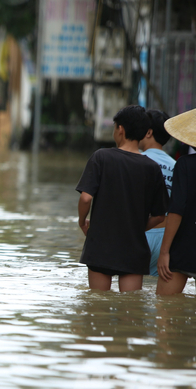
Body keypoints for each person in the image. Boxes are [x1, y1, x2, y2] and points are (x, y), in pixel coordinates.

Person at [76, 105, 169, 292]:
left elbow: (86, 198)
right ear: (144, 133)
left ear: (120, 129)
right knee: (131, 311)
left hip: (100, 246)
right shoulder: (152, 168)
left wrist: (82, 221)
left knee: (97, 308)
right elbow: (160, 216)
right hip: (134, 249)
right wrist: (135, 227)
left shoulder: (101, 157)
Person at [157, 107, 196, 295]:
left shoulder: (185, 165)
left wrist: (164, 251)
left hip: (184, 247)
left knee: (163, 312)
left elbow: (176, 210)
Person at [139, 109, 175, 277]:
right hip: (166, 238)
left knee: (131, 292)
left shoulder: (135, 161)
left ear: (148, 132)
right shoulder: (176, 165)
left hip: (140, 233)